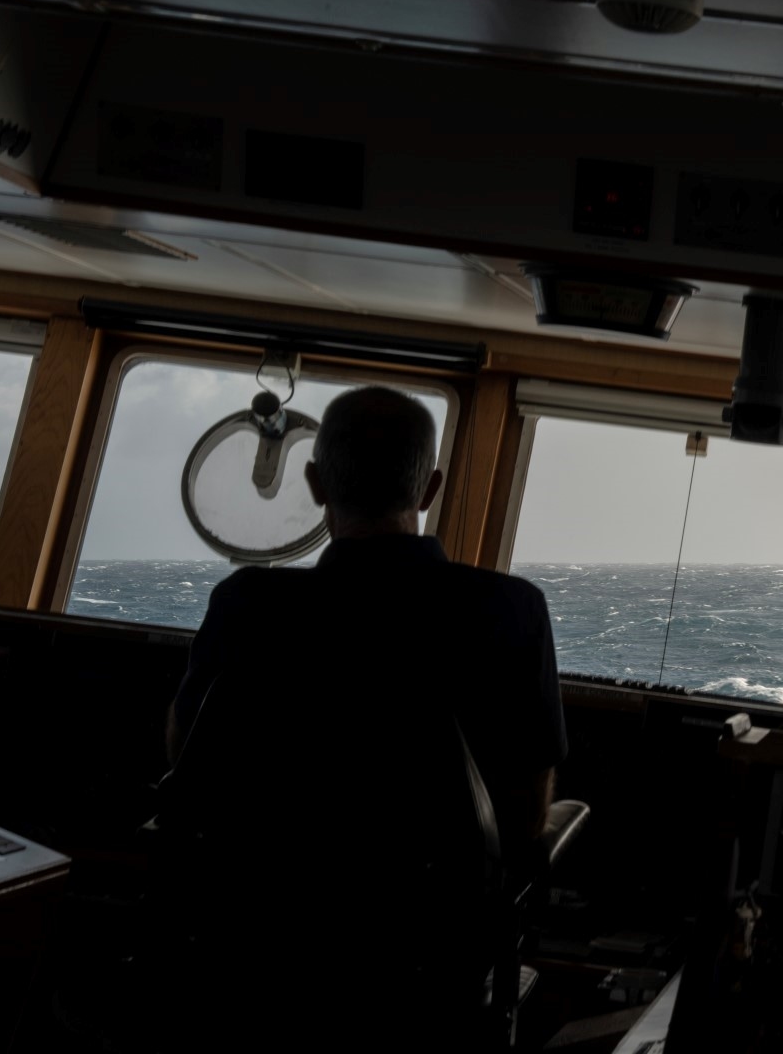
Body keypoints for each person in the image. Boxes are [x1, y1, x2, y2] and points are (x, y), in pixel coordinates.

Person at [157, 385, 565, 1046]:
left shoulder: (249, 603)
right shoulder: (510, 610)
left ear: (316, 484)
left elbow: (189, 760)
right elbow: (521, 819)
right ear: (429, 488)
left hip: (258, 947)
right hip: (426, 968)